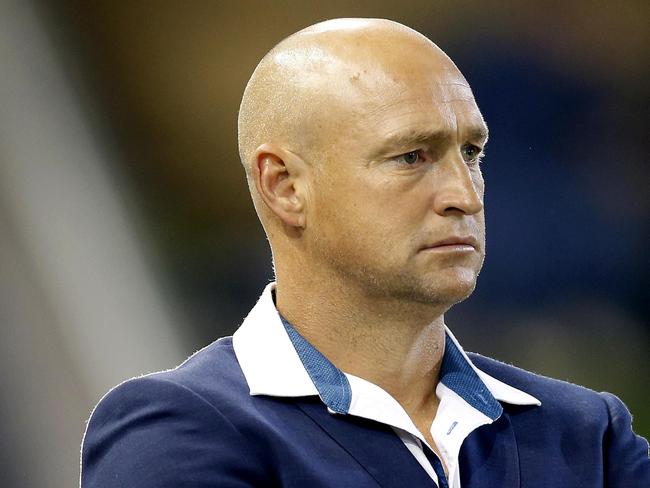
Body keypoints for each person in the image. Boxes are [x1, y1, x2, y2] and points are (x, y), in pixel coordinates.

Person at [80, 18, 650, 488]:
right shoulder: (180, 431)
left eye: (471, 152)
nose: (463, 194)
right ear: (284, 186)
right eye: (411, 157)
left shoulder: (588, 433)